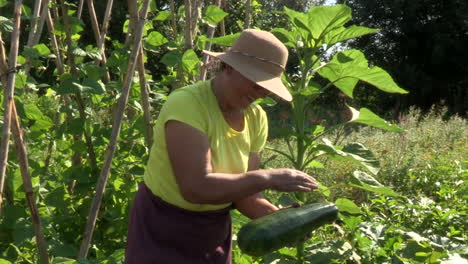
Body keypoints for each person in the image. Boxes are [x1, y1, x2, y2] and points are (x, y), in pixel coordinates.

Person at [125, 29, 318, 264]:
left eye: (267, 87)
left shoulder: (257, 118)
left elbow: (246, 196)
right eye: (256, 82)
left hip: (212, 231)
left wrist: (278, 220)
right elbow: (196, 188)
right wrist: (269, 177)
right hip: (163, 226)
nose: (262, 93)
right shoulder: (188, 103)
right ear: (229, 67)